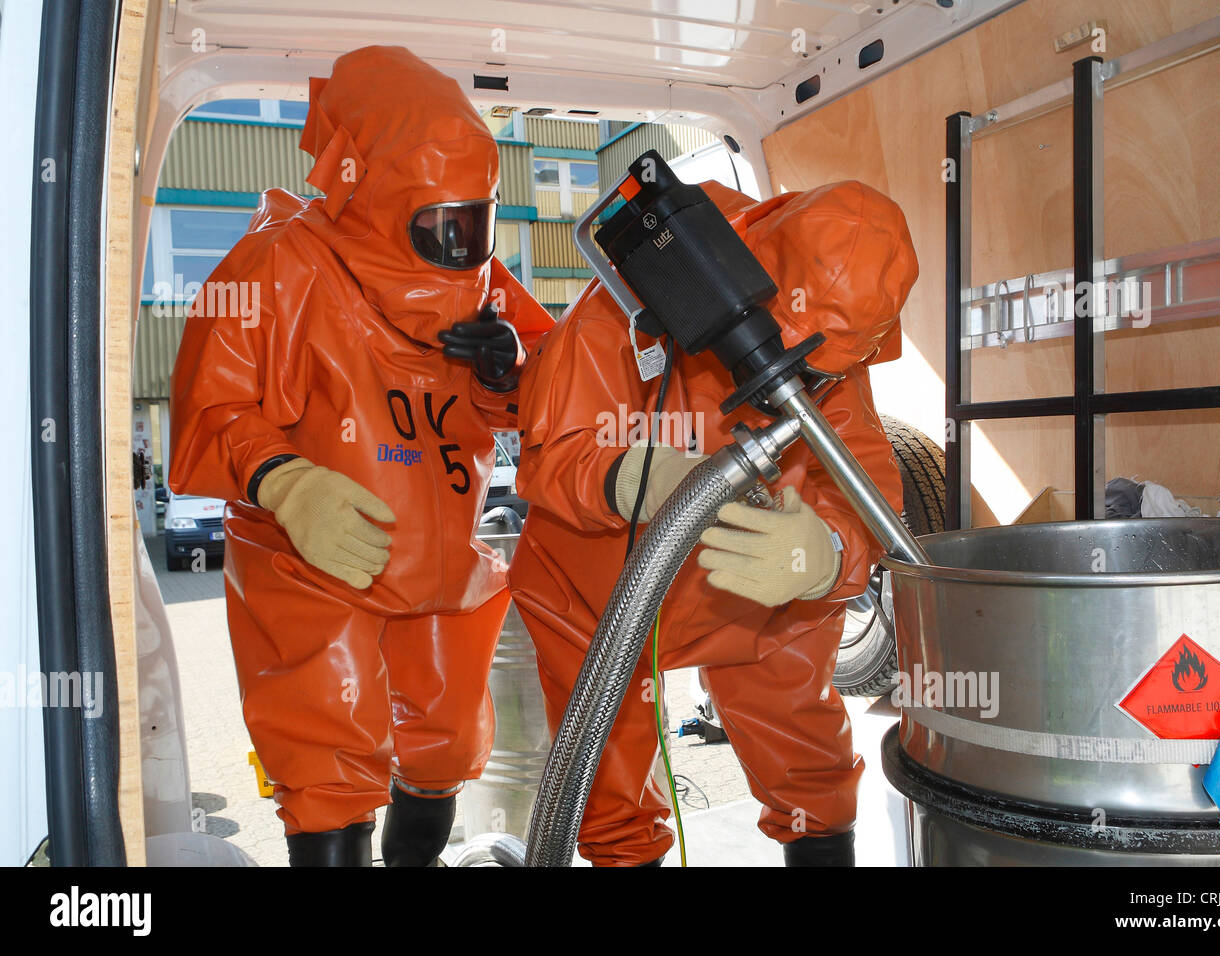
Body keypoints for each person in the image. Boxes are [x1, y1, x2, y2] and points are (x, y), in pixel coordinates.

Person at [168, 46, 552, 866]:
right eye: (440, 224)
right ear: (369, 193)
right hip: (317, 564)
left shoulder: (484, 284)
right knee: (330, 766)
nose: (461, 245)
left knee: (444, 750)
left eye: (473, 222)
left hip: (444, 565)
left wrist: (506, 370)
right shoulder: (280, 264)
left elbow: (555, 395)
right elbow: (212, 402)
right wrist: (286, 480)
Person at [508, 179, 917, 866]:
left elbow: (863, 481)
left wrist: (827, 553)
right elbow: (552, 452)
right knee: (606, 777)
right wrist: (630, 477)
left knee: (806, 758)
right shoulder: (624, 302)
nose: (796, 387)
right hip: (600, 588)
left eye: (812, 373)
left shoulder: (836, 343)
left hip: (753, 587)